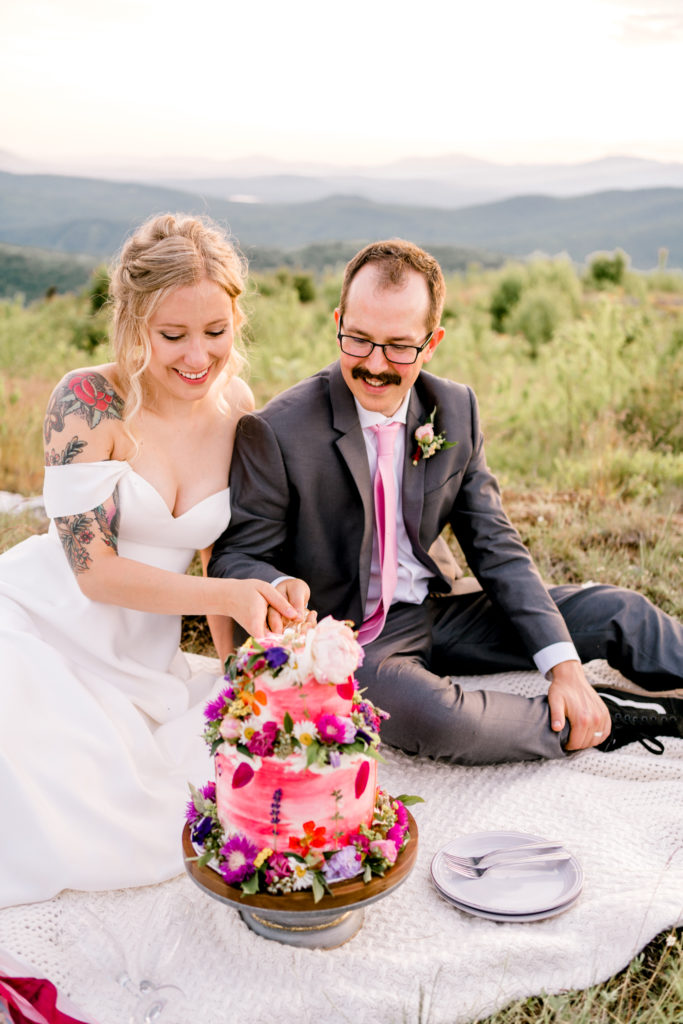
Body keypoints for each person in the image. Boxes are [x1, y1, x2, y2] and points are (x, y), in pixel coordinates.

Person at [209, 238, 683, 765]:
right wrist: (278, 586)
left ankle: (588, 689)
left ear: (431, 342)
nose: (375, 365)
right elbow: (235, 556)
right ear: (338, 320)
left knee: (620, 612)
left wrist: (565, 668)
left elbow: (495, 546)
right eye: (359, 340)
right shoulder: (277, 431)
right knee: (429, 716)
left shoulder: (454, 409)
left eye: (399, 346)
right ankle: (607, 720)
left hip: (441, 606)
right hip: (351, 640)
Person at [0, 213, 300, 909]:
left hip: (145, 660)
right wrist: (222, 597)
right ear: (134, 322)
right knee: (52, 783)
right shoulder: (87, 403)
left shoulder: (236, 406)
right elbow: (94, 572)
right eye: (173, 336)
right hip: (42, 622)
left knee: (216, 773)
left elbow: (215, 555)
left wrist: (236, 668)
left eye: (215, 332)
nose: (197, 357)